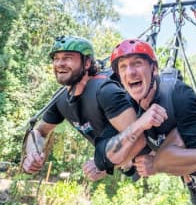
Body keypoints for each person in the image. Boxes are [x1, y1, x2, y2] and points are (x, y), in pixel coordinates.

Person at [95, 39, 196, 205]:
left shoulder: (178, 94)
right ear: (119, 76)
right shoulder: (127, 105)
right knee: (159, 153)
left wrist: (157, 164)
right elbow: (103, 157)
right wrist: (139, 124)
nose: (130, 72)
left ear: (154, 69)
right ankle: (188, 178)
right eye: (123, 67)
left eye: (137, 63)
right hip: (171, 152)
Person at [22, 35, 167, 181]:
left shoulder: (105, 91)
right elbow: (39, 132)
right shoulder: (60, 99)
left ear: (87, 63)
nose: (59, 63)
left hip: (150, 155)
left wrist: (103, 165)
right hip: (120, 158)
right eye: (56, 58)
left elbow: (140, 138)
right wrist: (32, 154)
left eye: (67, 58)